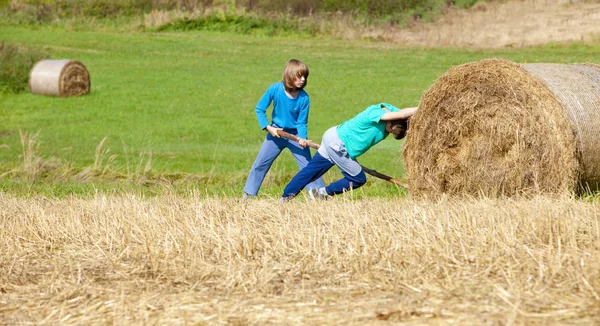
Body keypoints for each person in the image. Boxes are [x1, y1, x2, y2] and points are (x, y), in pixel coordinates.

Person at [281, 103, 417, 201]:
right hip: (339, 145)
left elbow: (405, 114)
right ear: (389, 122)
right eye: (390, 131)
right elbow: (403, 113)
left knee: (311, 172)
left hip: (333, 137)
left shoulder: (393, 113)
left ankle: (285, 198)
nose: (389, 133)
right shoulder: (374, 113)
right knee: (358, 178)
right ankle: (321, 193)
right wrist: (425, 107)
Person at [243, 59, 325, 198]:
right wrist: (268, 128)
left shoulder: (304, 98)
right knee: (260, 164)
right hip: (276, 133)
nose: (303, 79)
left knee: (309, 168)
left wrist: (302, 138)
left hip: (295, 136)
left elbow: (301, 122)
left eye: (305, 76)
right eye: (299, 76)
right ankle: (248, 196)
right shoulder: (275, 89)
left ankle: (319, 198)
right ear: (290, 75)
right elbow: (259, 109)